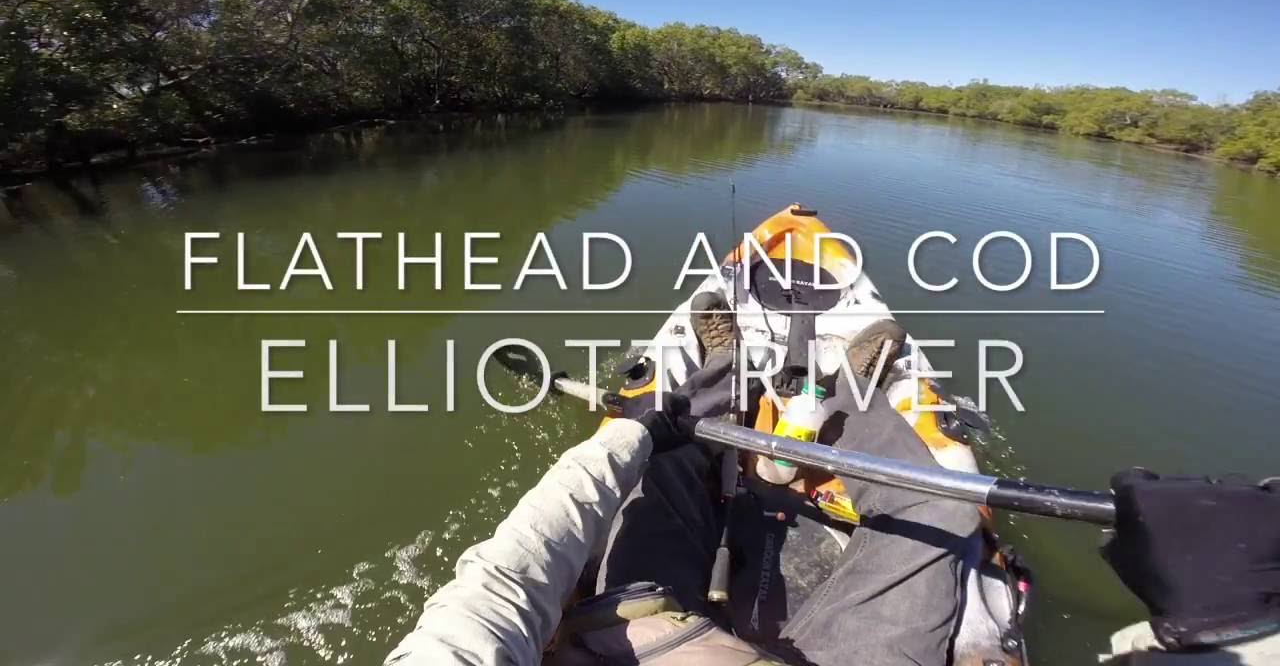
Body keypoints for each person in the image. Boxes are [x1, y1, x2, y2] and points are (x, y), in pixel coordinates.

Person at [385, 310, 1280, 665]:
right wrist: (1213, 635)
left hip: (651, 645)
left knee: (666, 464)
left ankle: (722, 381)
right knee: (933, 496)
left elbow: (500, 589)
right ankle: (838, 399)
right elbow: (498, 587)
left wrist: (630, 434)